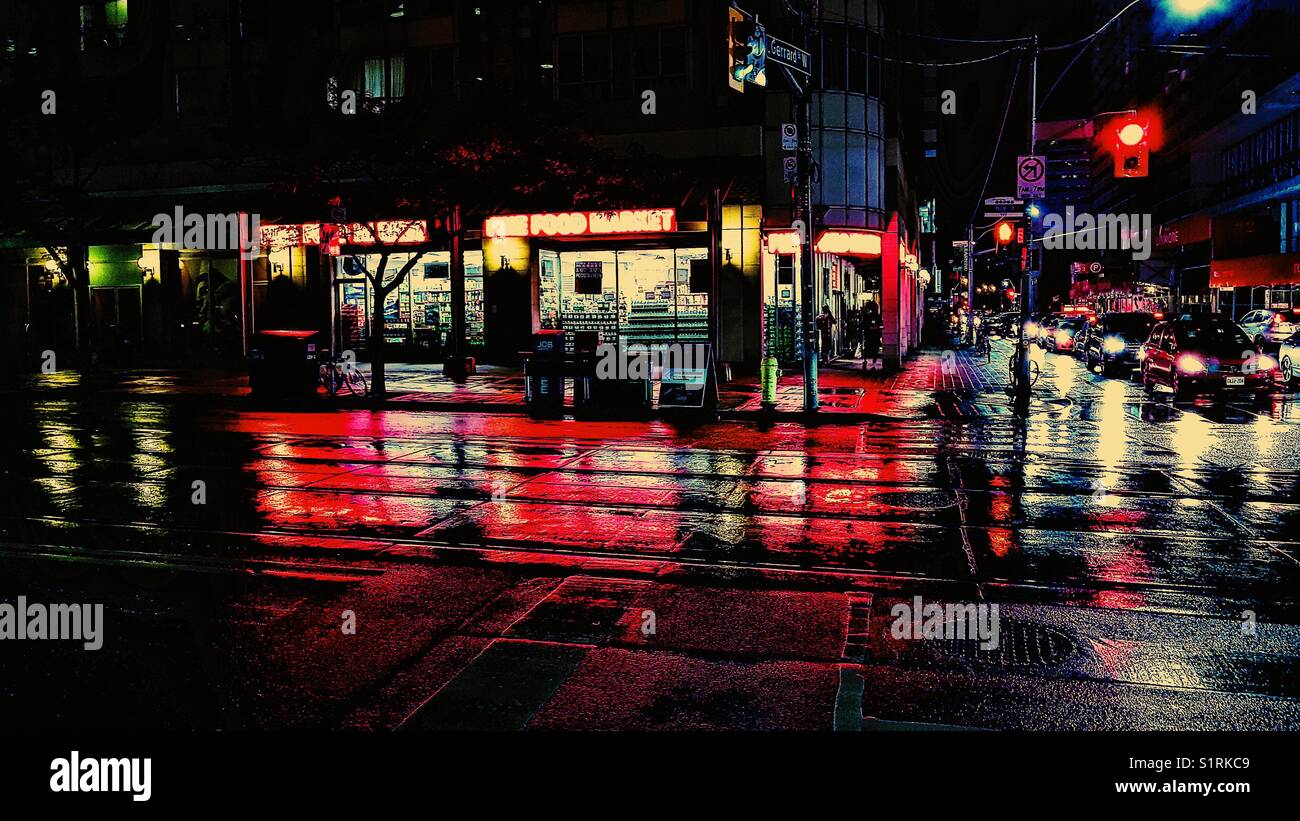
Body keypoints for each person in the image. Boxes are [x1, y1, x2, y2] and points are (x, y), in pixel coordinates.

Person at [861, 300, 883, 371]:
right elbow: (881, 325)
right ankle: (872, 363)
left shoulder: (868, 316)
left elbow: (862, 326)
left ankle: (866, 361)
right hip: (873, 336)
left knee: (868, 349)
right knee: (874, 350)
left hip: (870, 336)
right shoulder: (876, 316)